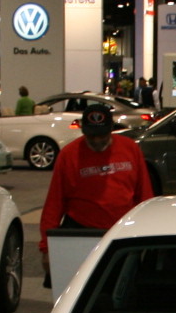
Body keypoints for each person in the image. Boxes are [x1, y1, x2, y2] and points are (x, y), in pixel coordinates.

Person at [38, 106, 153, 283]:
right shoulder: (69, 155)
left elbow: (144, 195)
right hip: (81, 234)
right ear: (83, 130)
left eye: (102, 135)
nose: (97, 140)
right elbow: (54, 203)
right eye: (92, 136)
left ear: (111, 130)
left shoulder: (130, 149)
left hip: (121, 234)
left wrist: (147, 235)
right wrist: (47, 248)